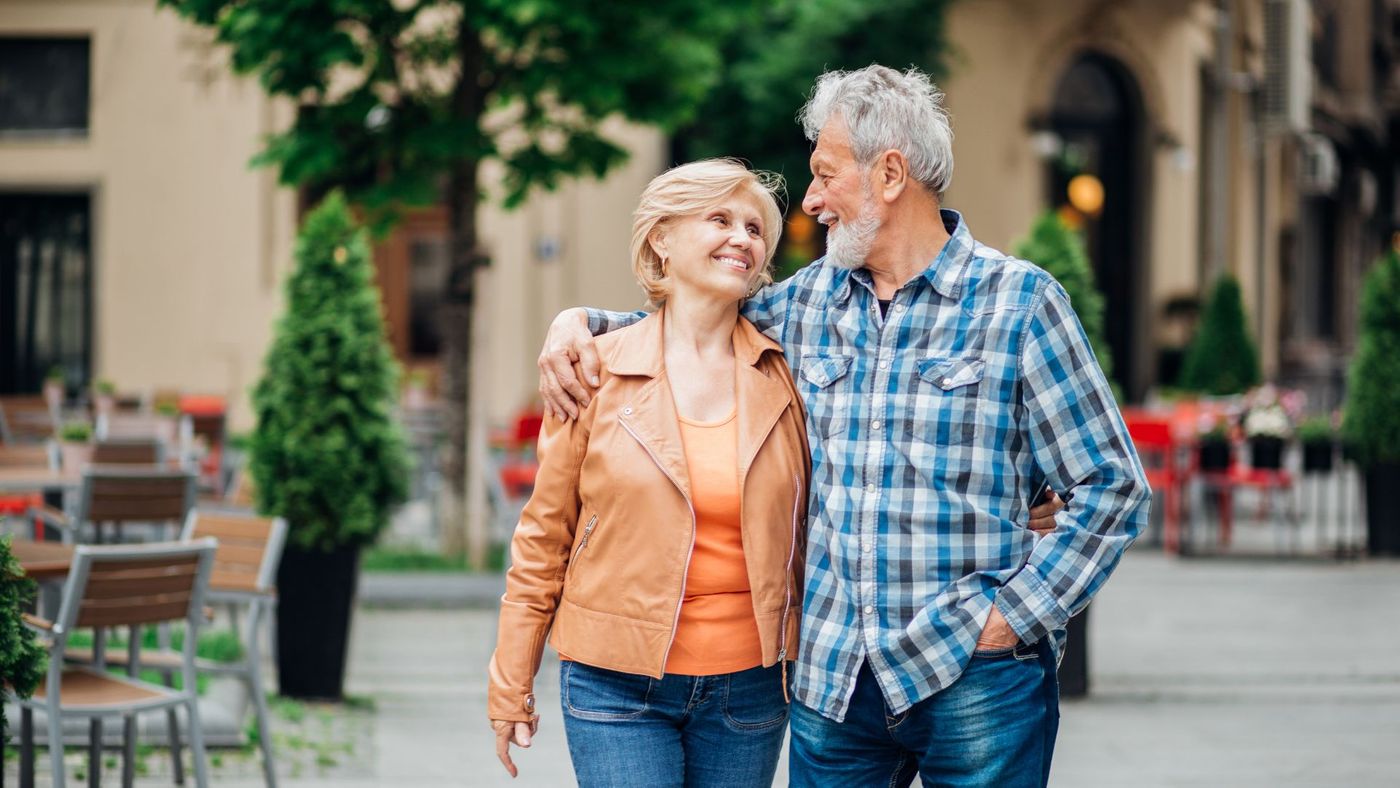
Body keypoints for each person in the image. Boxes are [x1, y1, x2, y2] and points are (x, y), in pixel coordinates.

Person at [538, 65, 1151, 787]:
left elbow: (1111, 488)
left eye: (826, 176)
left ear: (890, 174)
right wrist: (579, 325)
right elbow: (685, 328)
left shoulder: (1020, 304)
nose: (815, 201)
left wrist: (1013, 618)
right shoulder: (806, 303)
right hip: (834, 683)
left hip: (977, 677)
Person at [488, 159, 809, 787]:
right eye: (719, 218)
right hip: (614, 686)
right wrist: (510, 681)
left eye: (753, 227)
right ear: (661, 238)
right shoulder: (593, 370)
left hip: (749, 687)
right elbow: (544, 537)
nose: (742, 238)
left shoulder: (786, 375)